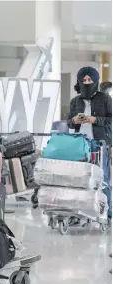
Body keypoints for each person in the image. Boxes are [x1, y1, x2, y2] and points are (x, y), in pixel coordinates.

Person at [67, 67, 112, 221]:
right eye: (83, 80)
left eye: (89, 80)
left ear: (95, 80)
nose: (86, 83)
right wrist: (74, 121)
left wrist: (95, 120)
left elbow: (110, 120)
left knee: (103, 177)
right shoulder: (75, 101)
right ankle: (78, 212)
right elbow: (69, 123)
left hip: (99, 144)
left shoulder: (105, 99)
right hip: (79, 143)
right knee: (78, 177)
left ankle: (107, 210)